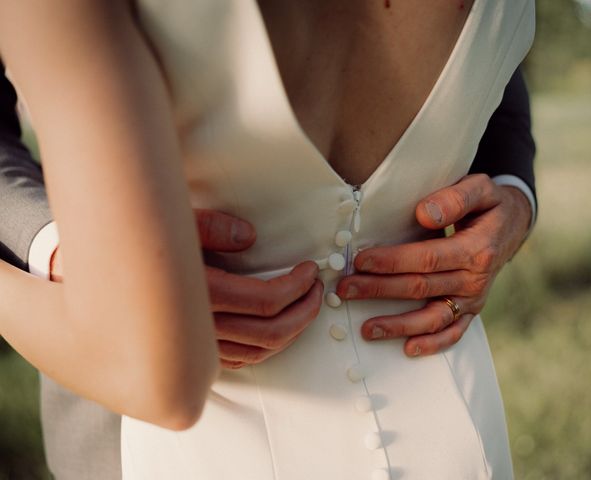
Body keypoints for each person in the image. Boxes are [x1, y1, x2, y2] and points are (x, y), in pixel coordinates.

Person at [0, 0, 535, 478]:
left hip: (187, 426)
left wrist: (512, 194)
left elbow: (497, 77)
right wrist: (76, 249)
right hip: (446, 420)